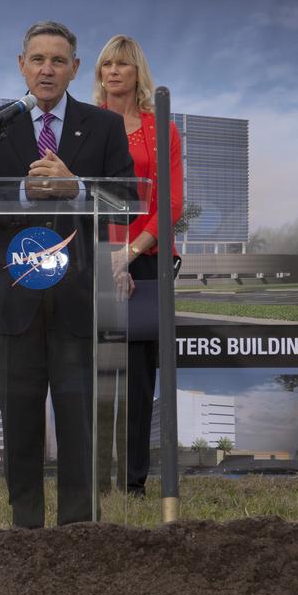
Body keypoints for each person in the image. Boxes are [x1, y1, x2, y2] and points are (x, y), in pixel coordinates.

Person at [0, 21, 134, 528]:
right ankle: (25, 530)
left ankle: (78, 533)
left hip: (78, 299)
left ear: (75, 70)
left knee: (79, 421)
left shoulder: (101, 126)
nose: (46, 69)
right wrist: (24, 193)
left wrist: (75, 187)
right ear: (21, 65)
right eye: (37, 59)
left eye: (58, 60)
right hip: (13, 301)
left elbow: (126, 201)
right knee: (19, 423)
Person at [93, 34, 184, 497]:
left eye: (122, 65)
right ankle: (93, 473)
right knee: (92, 372)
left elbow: (170, 202)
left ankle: (133, 481)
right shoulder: (85, 126)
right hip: (94, 257)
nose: (113, 72)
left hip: (146, 261)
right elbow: (87, 197)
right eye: (106, 64)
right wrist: (108, 256)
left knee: (139, 373)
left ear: (136, 73)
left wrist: (129, 253)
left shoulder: (161, 128)